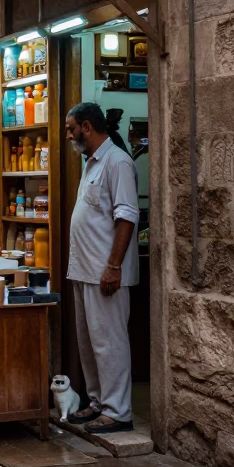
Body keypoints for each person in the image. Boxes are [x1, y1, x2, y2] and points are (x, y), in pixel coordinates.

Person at [63, 102, 139, 434]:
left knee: (110, 342)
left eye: (71, 129)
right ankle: (98, 402)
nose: (68, 136)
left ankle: (118, 410)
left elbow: (127, 217)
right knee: (90, 343)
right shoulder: (91, 163)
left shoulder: (117, 162)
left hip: (106, 273)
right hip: (85, 269)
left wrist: (113, 265)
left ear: (87, 128)